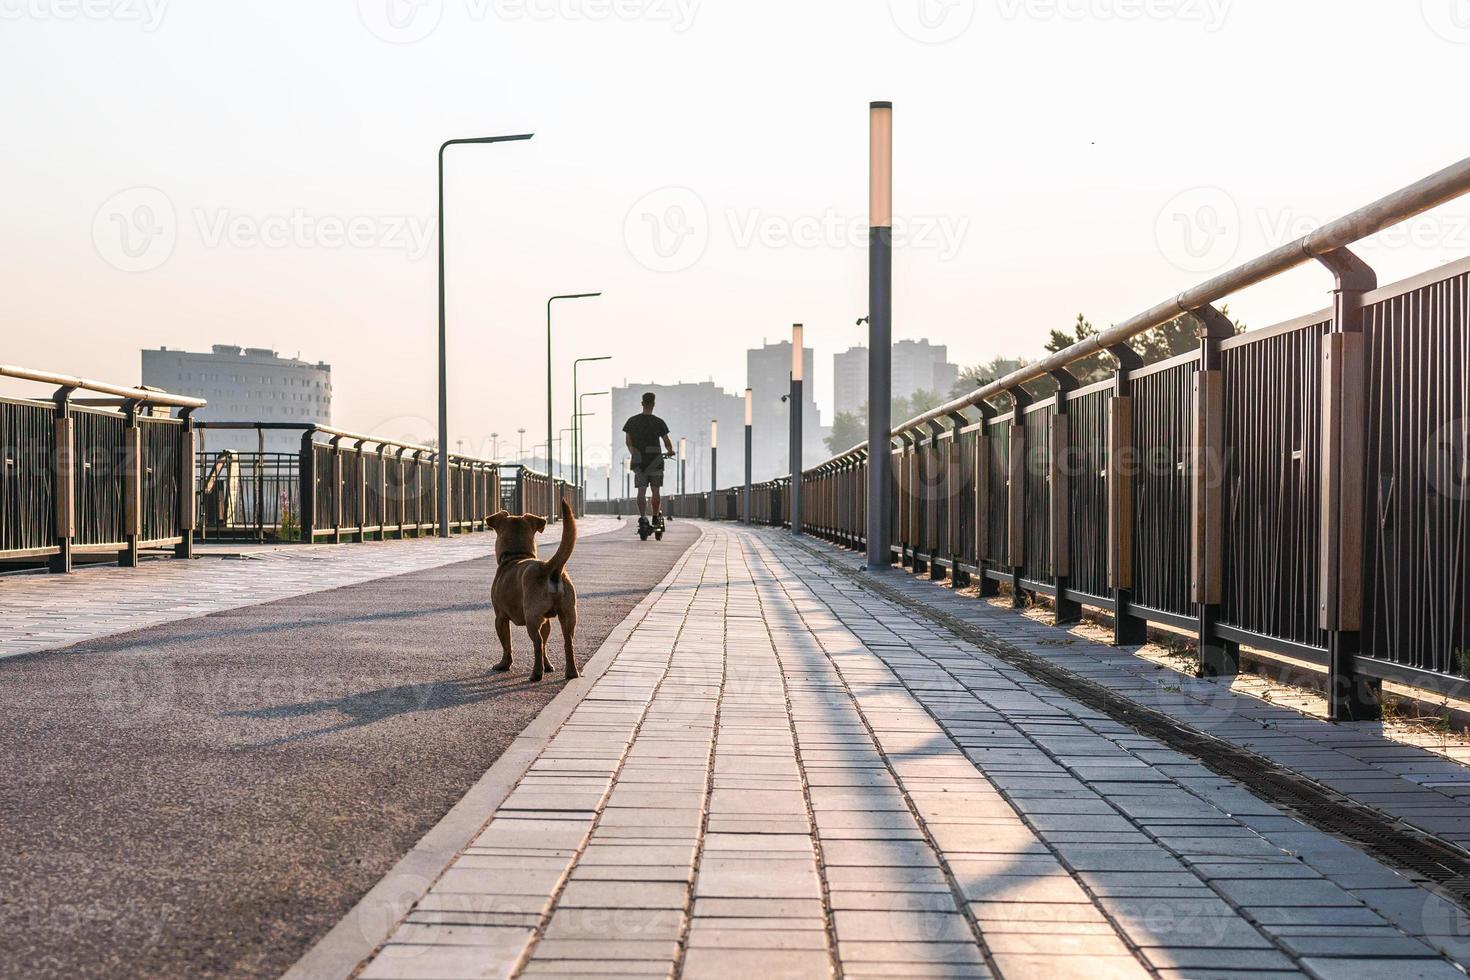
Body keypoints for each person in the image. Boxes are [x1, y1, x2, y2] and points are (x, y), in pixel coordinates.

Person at [623, 392, 674, 527]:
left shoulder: (632, 421)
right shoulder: (658, 422)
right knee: (655, 490)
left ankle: (643, 517)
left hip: (639, 463)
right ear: (653, 404)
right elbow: (666, 441)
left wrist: (635, 454)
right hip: (655, 461)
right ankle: (656, 517)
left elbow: (628, 441)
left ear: (642, 403)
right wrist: (670, 451)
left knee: (641, 490)